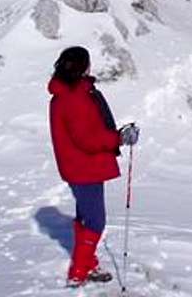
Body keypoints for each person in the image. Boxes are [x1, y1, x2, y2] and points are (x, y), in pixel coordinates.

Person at [48, 46, 139, 287]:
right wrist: (118, 138)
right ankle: (79, 271)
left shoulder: (66, 93)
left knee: (87, 217)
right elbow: (87, 139)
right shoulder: (75, 97)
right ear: (82, 67)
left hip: (76, 166)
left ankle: (88, 263)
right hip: (84, 167)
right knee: (96, 221)